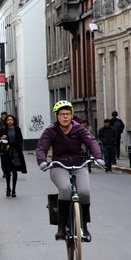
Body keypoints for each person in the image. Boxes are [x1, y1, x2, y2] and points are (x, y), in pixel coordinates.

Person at [36, 100, 104, 242]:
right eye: (62, 114)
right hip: (59, 166)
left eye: (68, 114)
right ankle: (61, 228)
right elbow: (41, 147)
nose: (65, 117)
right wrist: (42, 161)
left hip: (79, 165)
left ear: (72, 115)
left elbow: (92, 142)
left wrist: (98, 158)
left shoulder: (80, 130)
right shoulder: (51, 131)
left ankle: (84, 227)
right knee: (66, 189)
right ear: (56, 116)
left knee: (84, 193)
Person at [0, 115, 27, 197]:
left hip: (16, 153)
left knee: (14, 171)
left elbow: (20, 139)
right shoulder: (4, 129)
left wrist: (10, 145)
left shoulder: (17, 129)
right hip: (7, 153)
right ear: (6, 121)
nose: (10, 121)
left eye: (11, 120)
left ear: (14, 121)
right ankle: (8, 188)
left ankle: (14, 190)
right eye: (8, 120)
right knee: (8, 172)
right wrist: (2, 138)